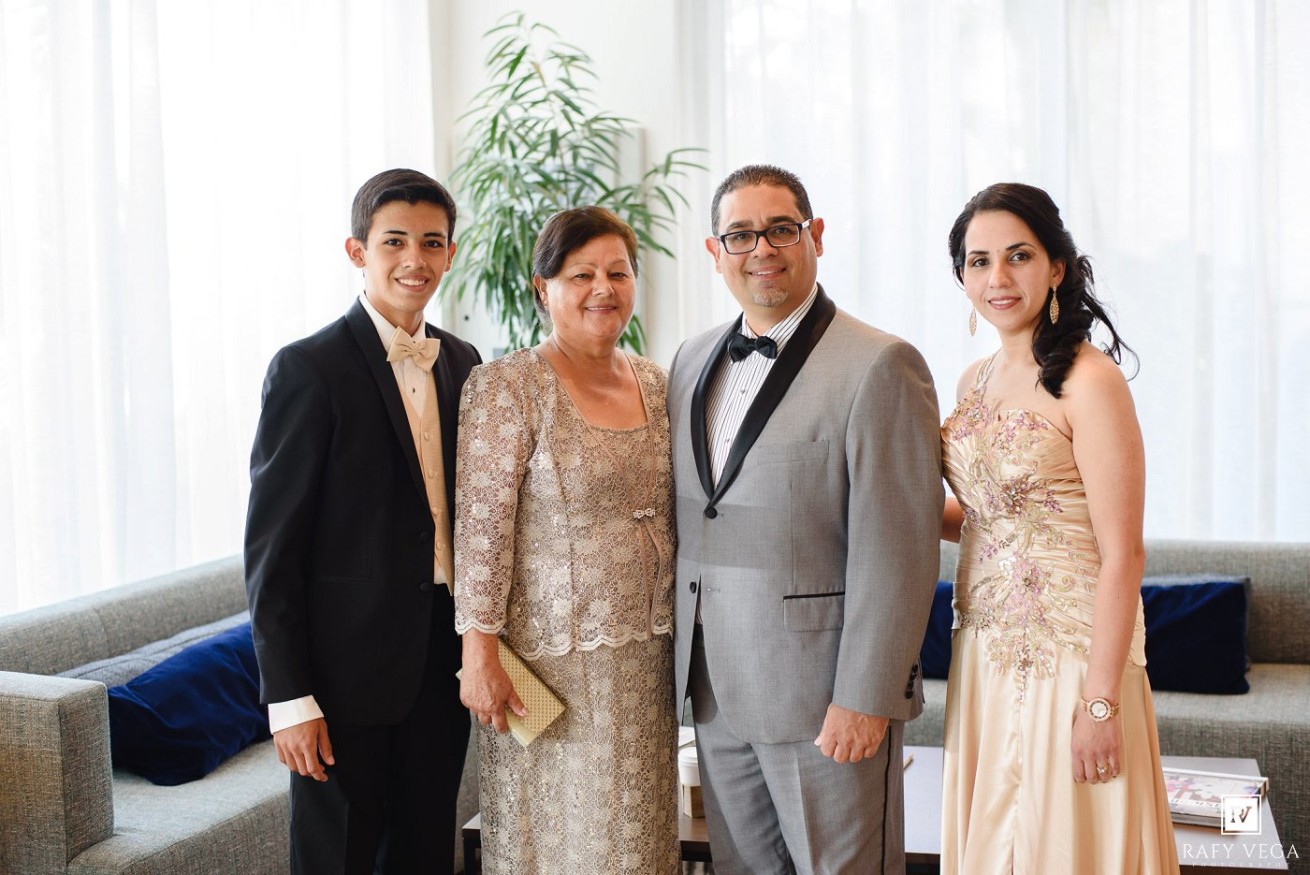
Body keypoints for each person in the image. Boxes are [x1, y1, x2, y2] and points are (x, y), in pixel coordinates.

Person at [668, 164, 943, 874]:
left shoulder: (881, 364)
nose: (762, 248)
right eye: (741, 234)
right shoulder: (690, 359)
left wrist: (867, 694)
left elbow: (900, 549)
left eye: (781, 229)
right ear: (714, 251)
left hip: (825, 698)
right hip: (714, 689)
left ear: (815, 234)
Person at [244, 168, 481, 874]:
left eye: (432, 242)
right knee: (337, 860)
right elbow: (271, 550)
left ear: (451, 253)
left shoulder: (464, 362)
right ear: (358, 251)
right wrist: (288, 696)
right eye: (395, 241)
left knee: (423, 855)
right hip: (342, 677)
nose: (416, 259)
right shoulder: (308, 368)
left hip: (443, 664)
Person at [939, 182, 1179, 873]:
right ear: (962, 277)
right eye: (979, 261)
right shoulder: (971, 383)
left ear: (1057, 267)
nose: (998, 277)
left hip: (1071, 655)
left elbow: (1122, 553)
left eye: (1018, 255)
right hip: (984, 651)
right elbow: (990, 518)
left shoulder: (1089, 380)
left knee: (1069, 840)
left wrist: (1099, 703)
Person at [454, 206, 679, 874]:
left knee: (637, 845)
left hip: (647, 658)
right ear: (542, 288)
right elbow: (482, 530)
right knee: (561, 847)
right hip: (550, 665)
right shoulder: (507, 385)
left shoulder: (655, 381)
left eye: (617, 272)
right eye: (581, 274)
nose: (602, 288)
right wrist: (478, 655)